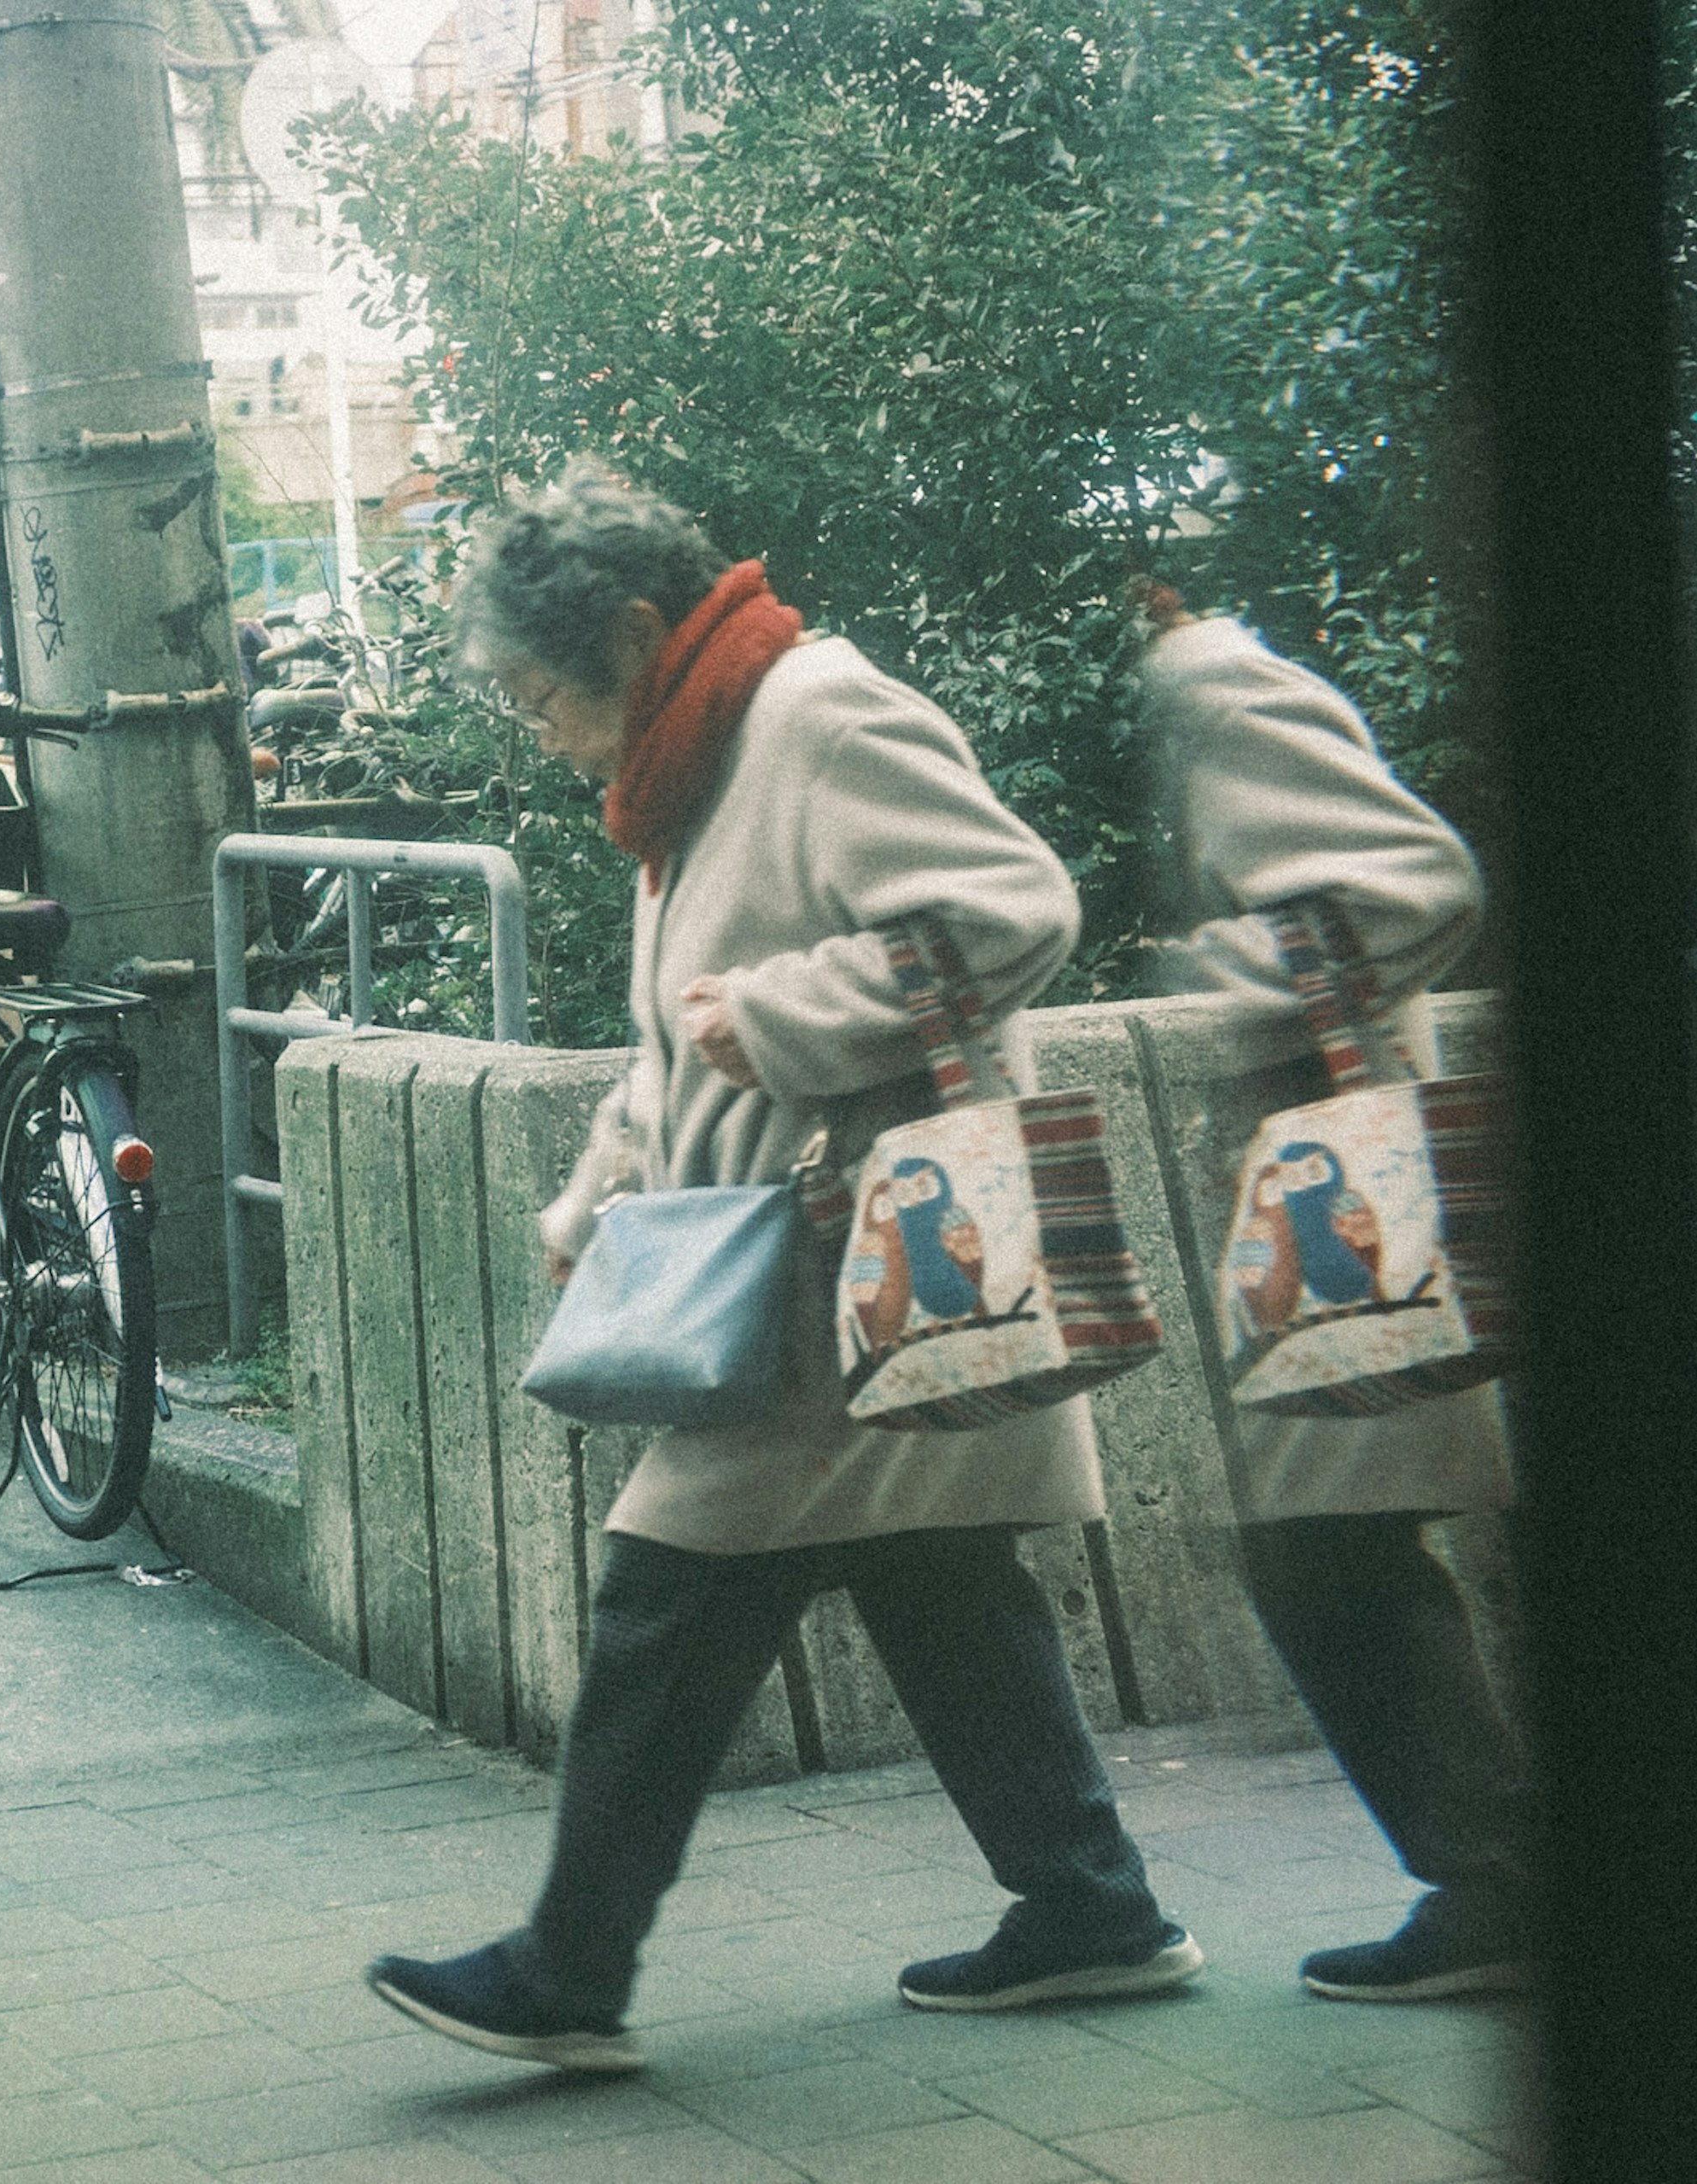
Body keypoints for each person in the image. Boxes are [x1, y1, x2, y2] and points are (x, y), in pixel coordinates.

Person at [364, 469, 1198, 2073]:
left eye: (540, 696)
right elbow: (684, 1037)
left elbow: (1020, 909)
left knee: (663, 1599)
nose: (538, 731)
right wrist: (600, 1194)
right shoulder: (697, 762)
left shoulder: (811, 714)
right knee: (939, 1578)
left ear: (628, 631)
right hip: (822, 1261)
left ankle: (569, 1968)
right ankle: (1094, 1909)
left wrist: (794, 1012)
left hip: (843, 1260)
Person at [1135, 582, 1537, 2002]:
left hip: (1338, 1187)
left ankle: (1502, 1886)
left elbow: (1420, 884)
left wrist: (1228, 966)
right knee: (1339, 1542)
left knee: (1324, 1544)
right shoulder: (1214, 700)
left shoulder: (1223, 696)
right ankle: (1505, 1877)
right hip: (1320, 1186)